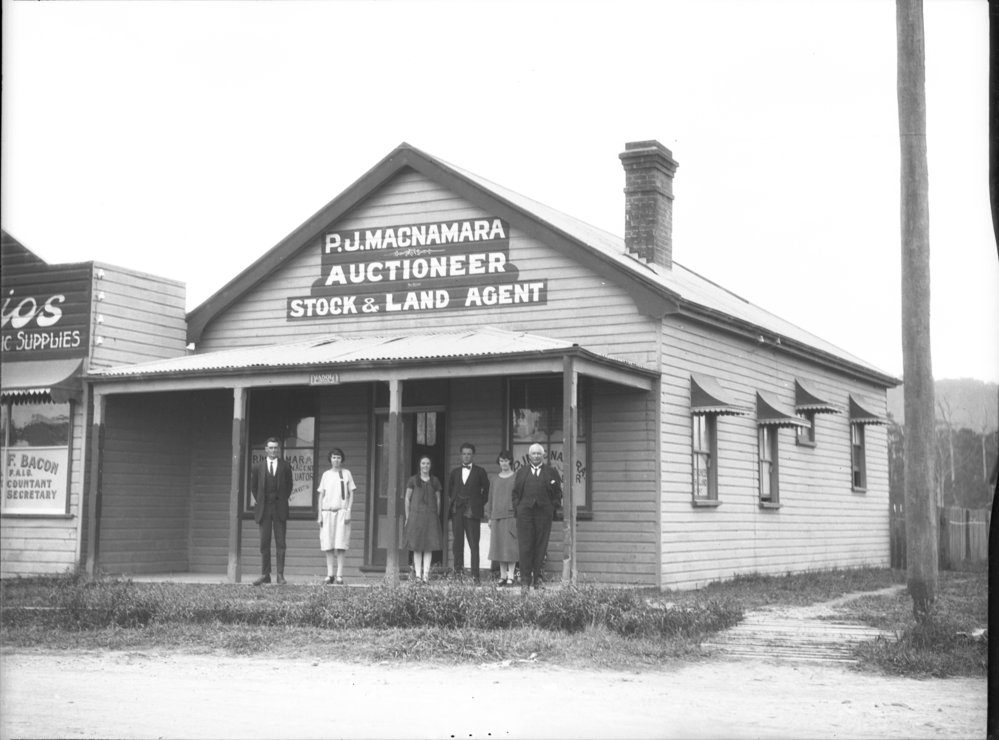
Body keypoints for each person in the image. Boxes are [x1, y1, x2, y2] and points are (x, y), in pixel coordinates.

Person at [512, 442, 562, 594]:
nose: (536, 456)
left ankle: (537, 580)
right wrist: (519, 508)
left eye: (539, 453)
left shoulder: (551, 472)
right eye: (533, 453)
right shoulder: (522, 472)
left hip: (543, 514)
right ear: (529, 455)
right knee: (525, 547)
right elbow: (515, 493)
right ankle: (525, 581)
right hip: (525, 514)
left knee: (541, 546)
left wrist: (552, 507)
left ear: (543, 455)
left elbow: (558, 493)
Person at [249, 437, 294, 585]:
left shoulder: (285, 466)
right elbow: (254, 488)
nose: (273, 450)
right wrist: (262, 501)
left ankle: (280, 575)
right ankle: (265, 574)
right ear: (266, 449)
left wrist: (280, 500)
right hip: (264, 509)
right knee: (264, 543)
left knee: (281, 543)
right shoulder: (257, 467)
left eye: (276, 448)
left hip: (279, 509)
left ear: (278, 449)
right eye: (271, 448)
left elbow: (289, 487)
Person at [446, 442, 490, 583]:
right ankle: (458, 576)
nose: (466, 456)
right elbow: (450, 490)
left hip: (472, 512)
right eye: (464, 454)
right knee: (457, 544)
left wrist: (477, 504)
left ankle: (475, 577)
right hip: (457, 511)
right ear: (461, 455)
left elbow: (486, 491)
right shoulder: (455, 472)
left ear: (473, 455)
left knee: (473, 544)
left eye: (469, 454)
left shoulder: (480, 471)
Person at [316, 447, 356, 585]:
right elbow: (321, 495)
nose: (336, 460)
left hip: (341, 513)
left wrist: (348, 511)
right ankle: (329, 574)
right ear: (330, 459)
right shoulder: (326, 475)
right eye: (334, 457)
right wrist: (320, 514)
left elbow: (351, 494)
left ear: (341, 459)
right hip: (327, 512)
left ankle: (339, 575)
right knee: (328, 544)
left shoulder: (346, 473)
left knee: (340, 544)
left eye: (338, 457)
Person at [403, 455, 443, 583]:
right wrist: (408, 517)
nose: (425, 466)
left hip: (430, 517)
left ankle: (425, 576)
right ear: (419, 465)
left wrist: (436, 515)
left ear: (430, 466)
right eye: (423, 463)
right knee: (416, 546)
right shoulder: (413, 480)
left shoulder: (435, 481)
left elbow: (438, 499)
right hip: (416, 517)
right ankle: (418, 576)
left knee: (428, 546)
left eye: (428, 464)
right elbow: (407, 499)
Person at [485, 450, 518, 586]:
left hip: (511, 516)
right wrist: (490, 517)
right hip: (497, 516)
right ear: (499, 462)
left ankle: (511, 575)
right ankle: (502, 576)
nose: (504, 463)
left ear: (510, 461)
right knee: (499, 546)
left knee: (511, 547)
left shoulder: (516, 477)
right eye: (501, 461)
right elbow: (490, 499)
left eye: (506, 460)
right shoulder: (494, 479)